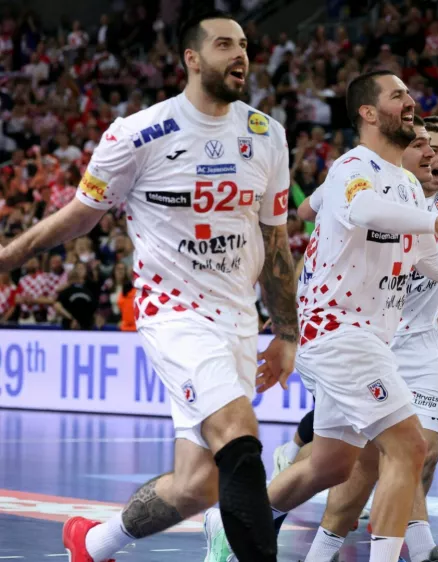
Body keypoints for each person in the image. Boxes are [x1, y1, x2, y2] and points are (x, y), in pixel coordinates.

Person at [205, 68, 438, 562]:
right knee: (409, 447)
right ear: (368, 113)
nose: (410, 101)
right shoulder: (352, 168)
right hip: (338, 334)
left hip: (366, 339)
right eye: (398, 95)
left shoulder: (406, 185)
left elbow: (430, 259)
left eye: (410, 92)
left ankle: (231, 517)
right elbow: (363, 210)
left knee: (332, 467)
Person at [2, 11, 297, 562]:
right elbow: (80, 216)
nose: (241, 55)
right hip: (173, 315)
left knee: (197, 486)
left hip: (238, 318)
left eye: (245, 45)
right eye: (225, 45)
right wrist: (9, 256)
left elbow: (275, 243)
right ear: (191, 58)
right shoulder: (139, 133)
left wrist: (287, 332)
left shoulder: (267, 135)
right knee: (239, 434)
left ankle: (92, 543)